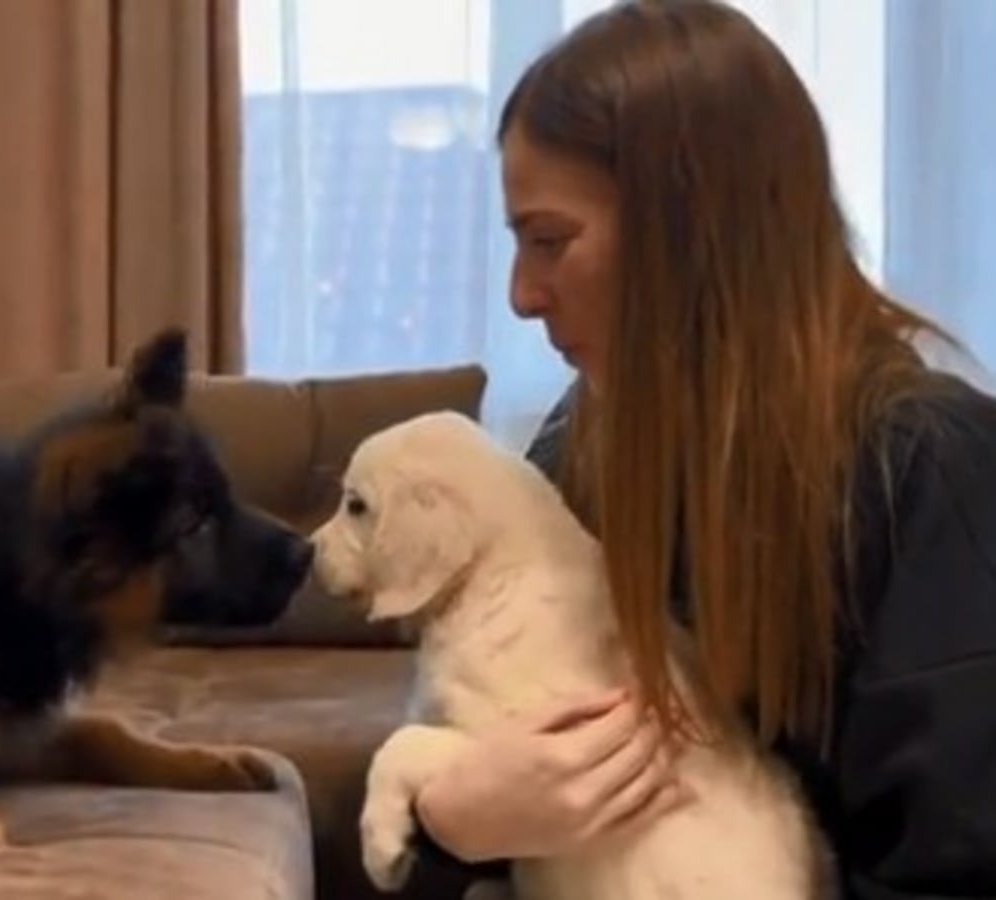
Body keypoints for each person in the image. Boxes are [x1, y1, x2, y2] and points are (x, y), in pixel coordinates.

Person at [409, 1, 996, 897]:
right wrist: (454, 819)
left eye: (550, 241)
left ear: (696, 229)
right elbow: (501, 759)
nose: (523, 296)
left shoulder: (926, 468)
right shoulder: (585, 441)